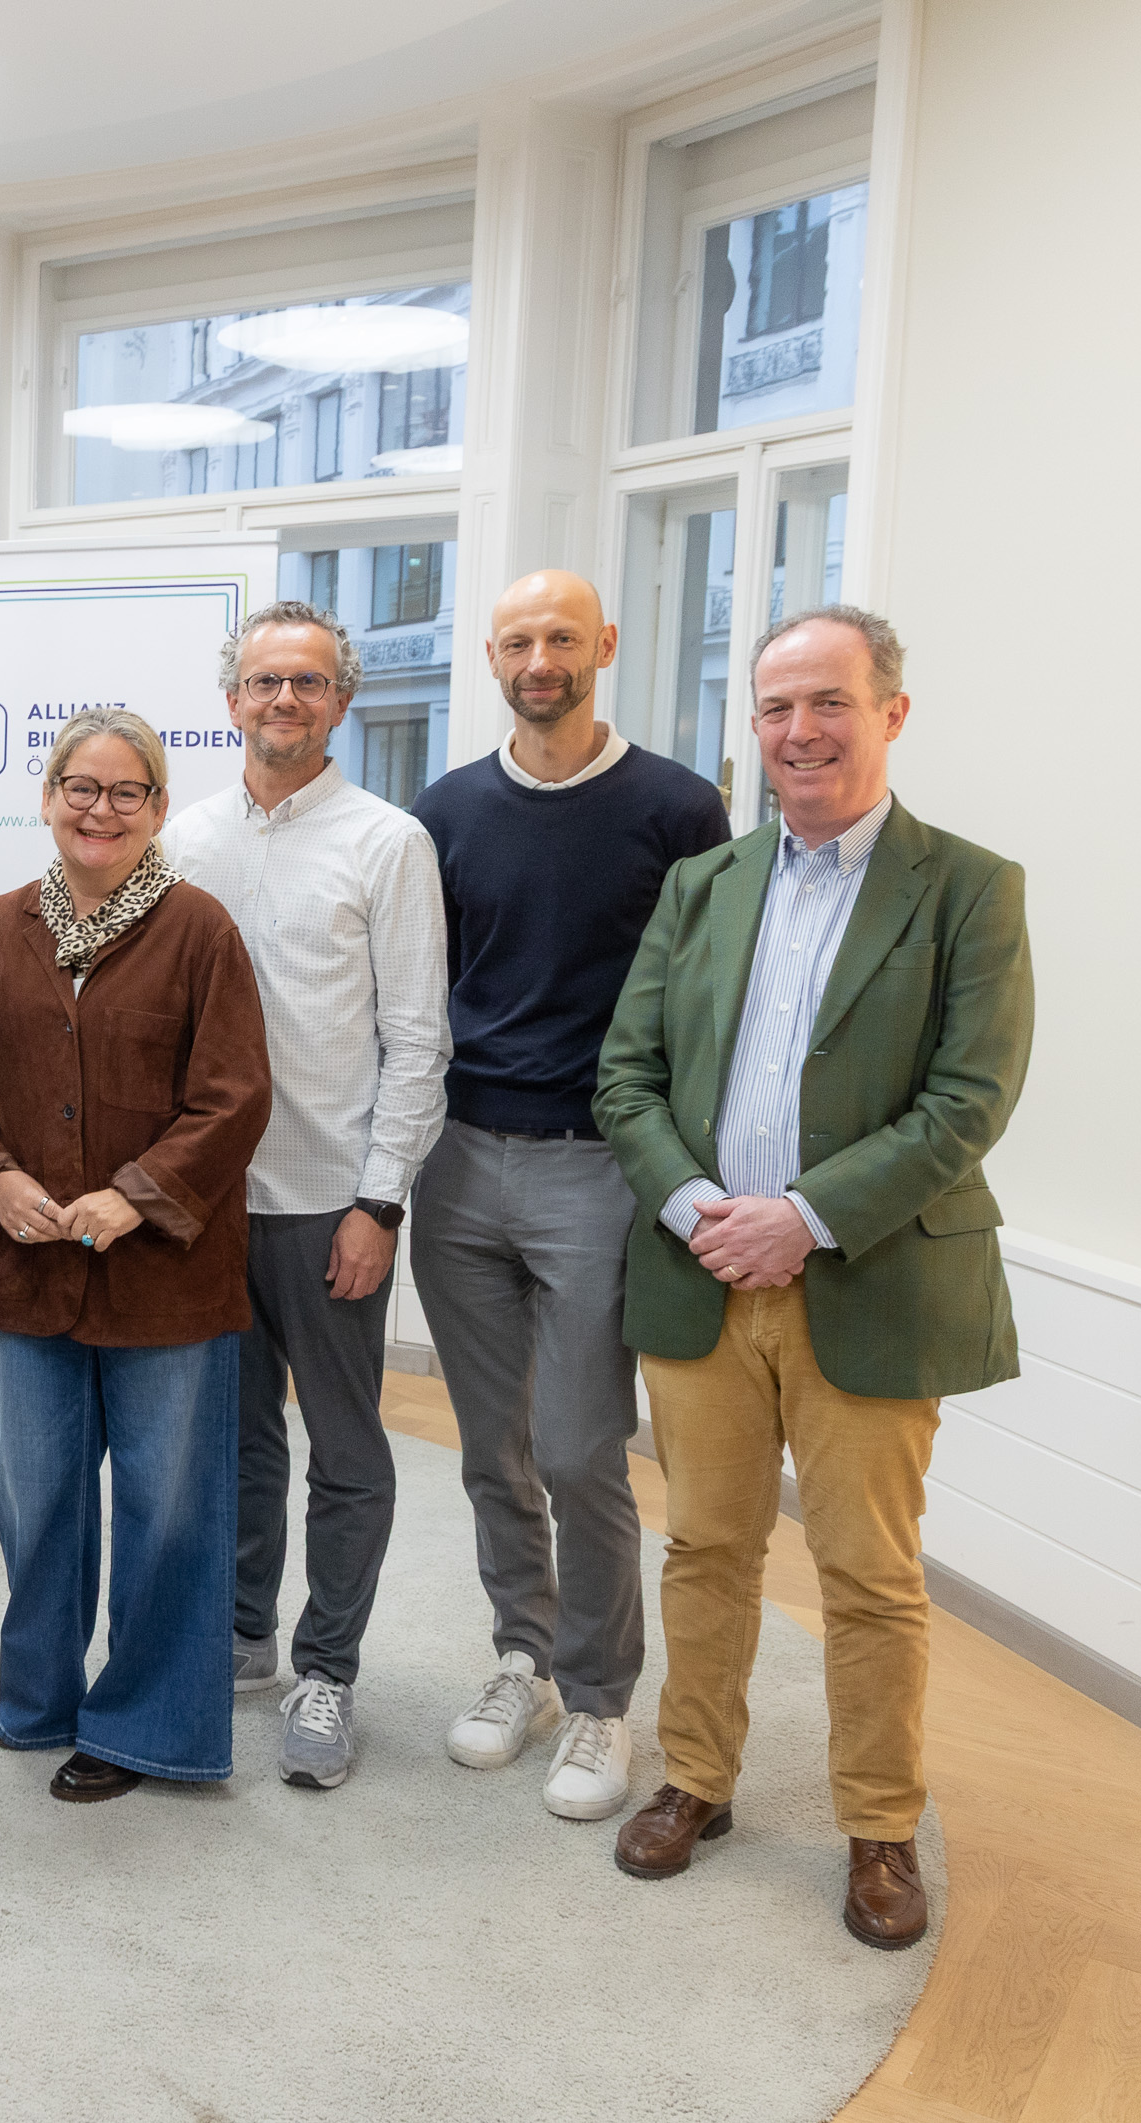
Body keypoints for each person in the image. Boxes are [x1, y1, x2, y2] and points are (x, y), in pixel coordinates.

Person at [594, 605, 1033, 1951]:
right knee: (706, 1549)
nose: (800, 730)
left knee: (869, 1575)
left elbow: (968, 1099)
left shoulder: (968, 887)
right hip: (701, 1280)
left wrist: (805, 1217)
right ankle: (696, 1778)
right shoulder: (702, 885)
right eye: (777, 706)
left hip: (871, 1281)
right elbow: (627, 1076)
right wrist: (700, 1209)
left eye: (829, 701)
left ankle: (880, 1825)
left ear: (890, 712)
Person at [405, 570, 730, 1823]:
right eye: (517, 640)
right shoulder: (446, 809)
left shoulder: (677, 807)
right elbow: (422, 985)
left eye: (561, 637)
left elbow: (708, 995)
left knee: (584, 1446)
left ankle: (601, 1694)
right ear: (490, 656)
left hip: (598, 1163)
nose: (540, 658)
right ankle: (523, 1659)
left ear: (604, 644)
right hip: (459, 1161)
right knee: (493, 1443)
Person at [167, 597, 449, 1792]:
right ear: (232, 698)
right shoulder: (182, 837)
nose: (285, 698)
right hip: (210, 1206)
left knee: (346, 1449)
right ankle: (245, 1631)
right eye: (265, 680)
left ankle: (328, 1668)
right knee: (234, 1442)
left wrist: (380, 1203)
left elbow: (418, 1038)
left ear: (343, 699)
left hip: (333, 1201)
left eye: (310, 680)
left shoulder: (389, 842)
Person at [0, 710, 271, 1802]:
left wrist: (134, 1196)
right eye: (81, 788)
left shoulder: (200, 930)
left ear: (156, 807)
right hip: (27, 1270)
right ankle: (42, 1698)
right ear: (47, 797)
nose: (101, 809)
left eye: (126, 791)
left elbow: (234, 1097)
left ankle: (145, 1725)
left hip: (167, 1278)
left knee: (168, 1511)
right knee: (34, 1498)